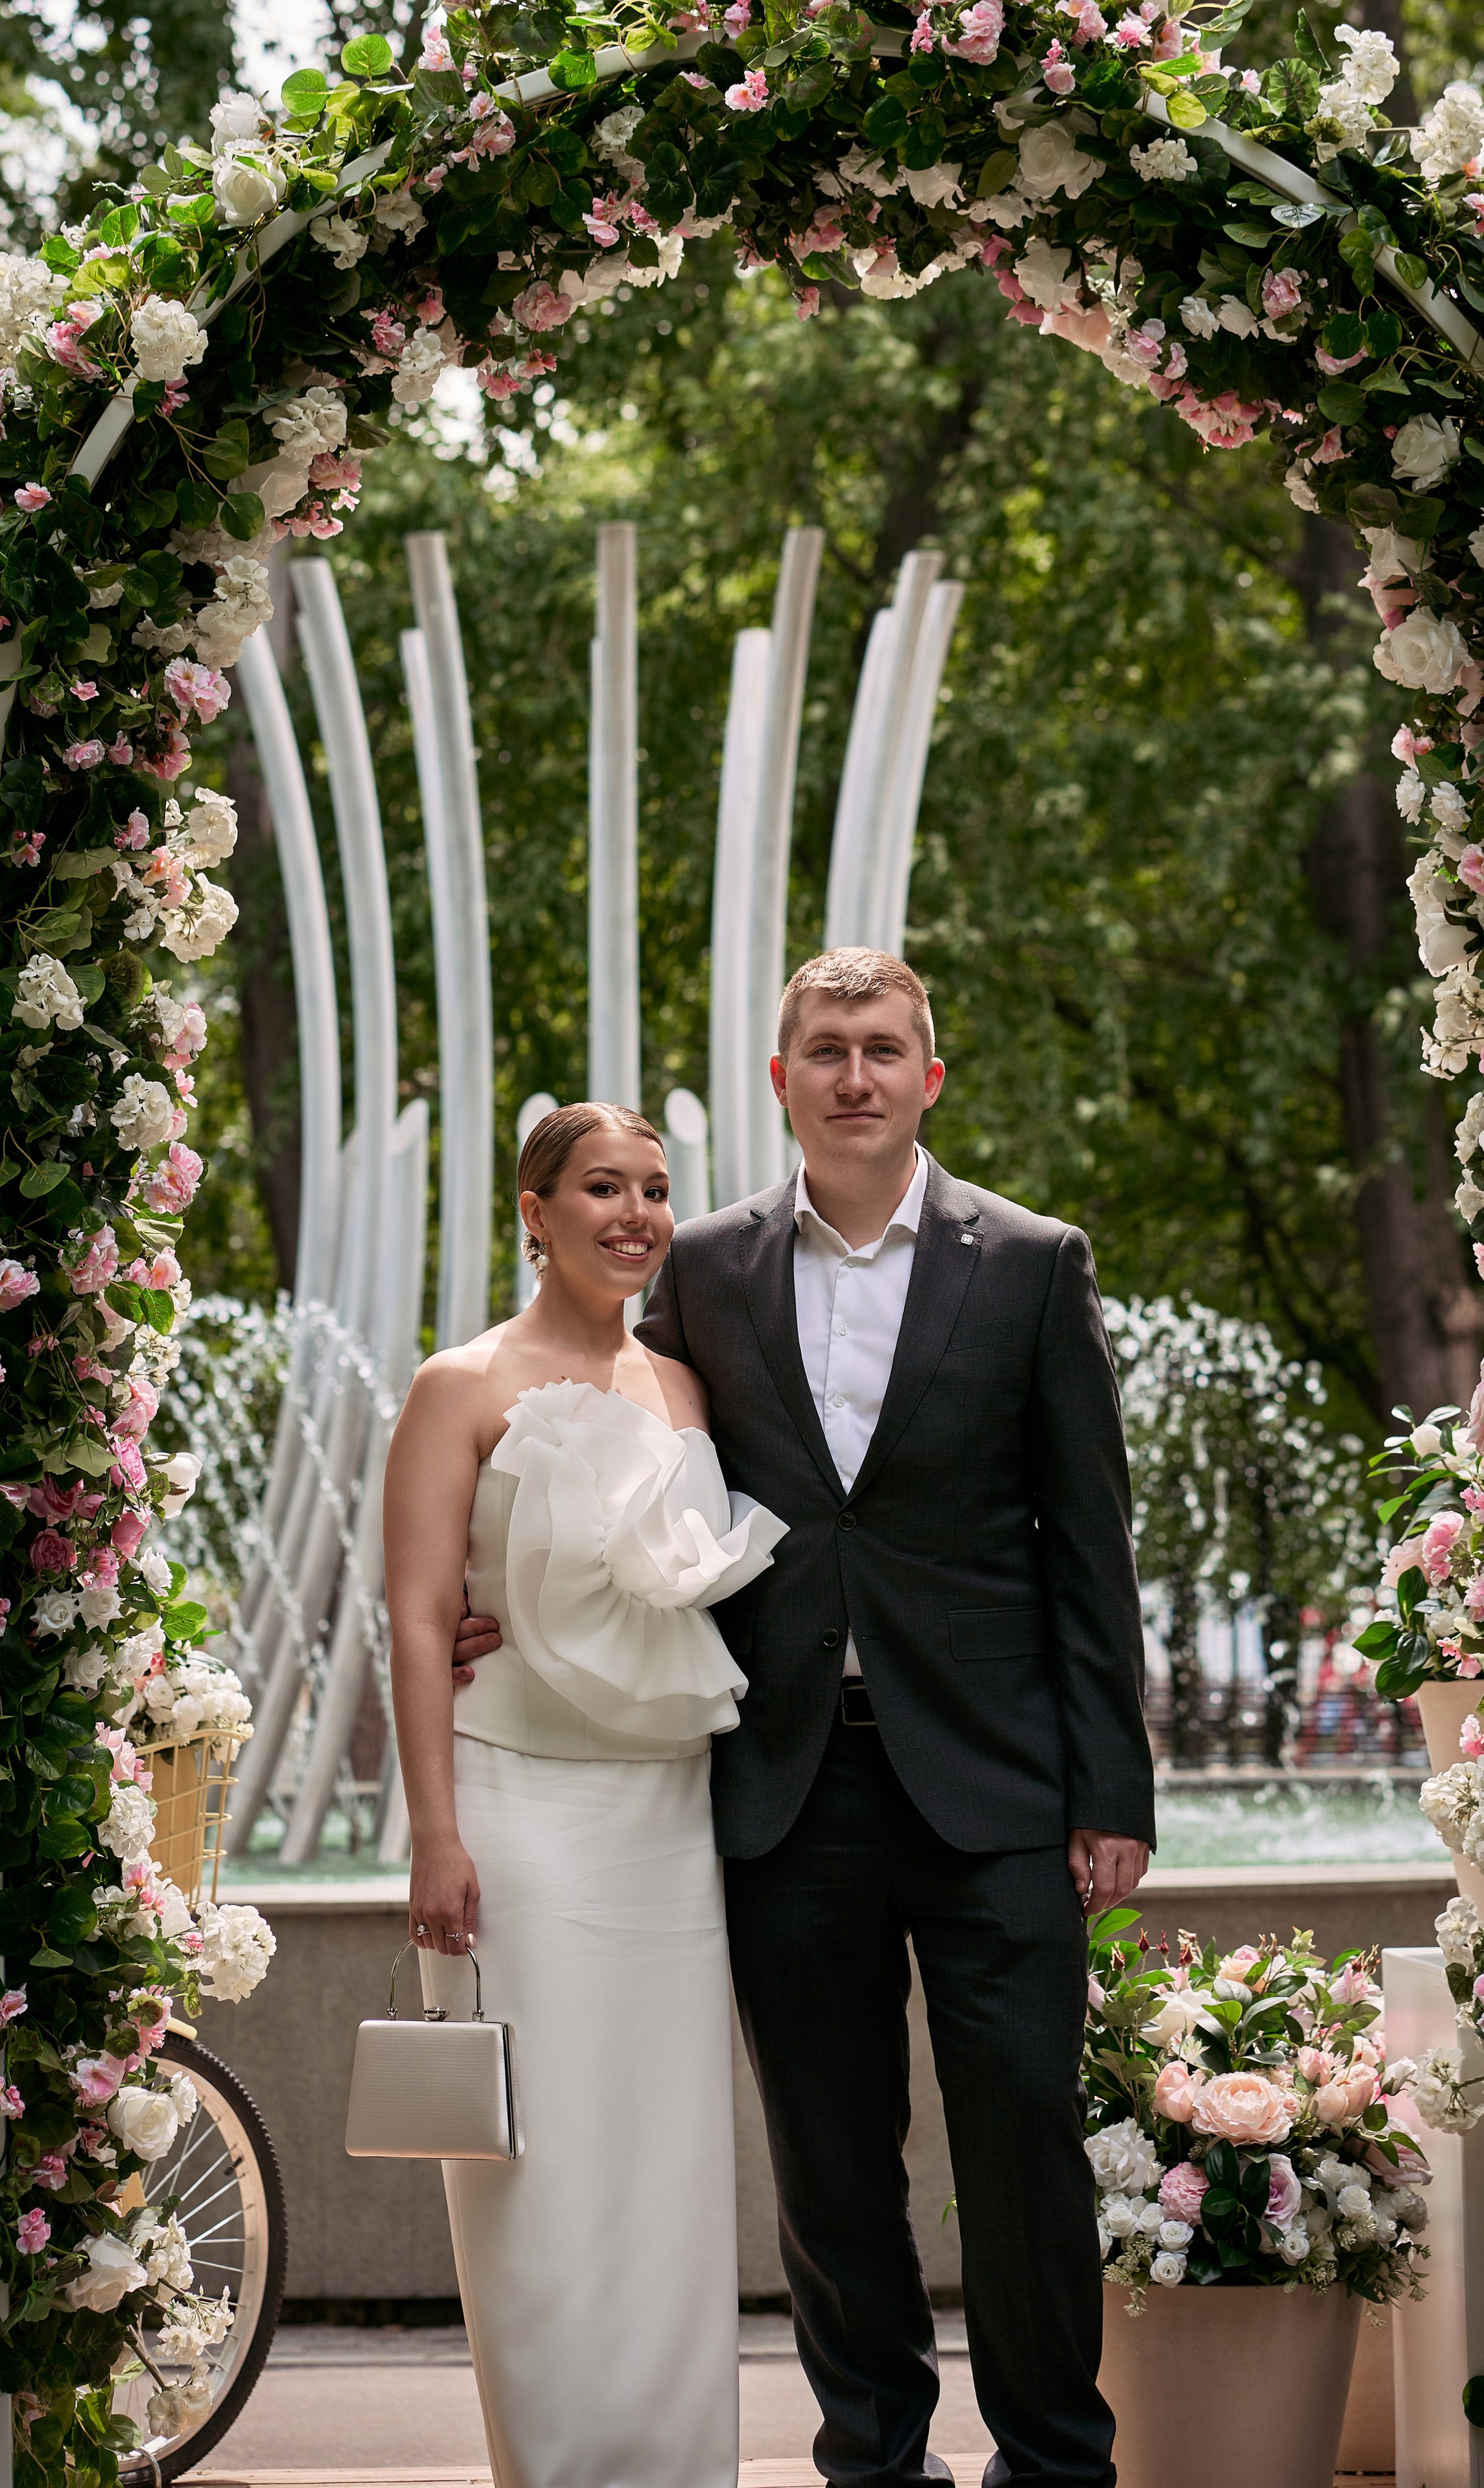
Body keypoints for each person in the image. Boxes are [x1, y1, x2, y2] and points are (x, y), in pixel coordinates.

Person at [455, 951, 1156, 2488]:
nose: (855, 1075)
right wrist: (483, 1586)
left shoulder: (1032, 1261)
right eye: (826, 1050)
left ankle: (1053, 2462)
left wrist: (1112, 1791)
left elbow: (1088, 1546)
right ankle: (874, 2464)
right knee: (832, 2169)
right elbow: (598, 1442)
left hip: (997, 1788)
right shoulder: (702, 1266)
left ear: (928, 1078)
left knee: (1023, 2141)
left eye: (883, 1049)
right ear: (781, 1080)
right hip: (784, 1783)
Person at [387, 1100, 785, 2488]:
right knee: (538, 2171)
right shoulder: (459, 1385)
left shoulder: (686, 1387)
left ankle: (679, 2466)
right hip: (518, 1816)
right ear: (535, 1211)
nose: (636, 1215)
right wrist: (435, 1836)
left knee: (668, 2165)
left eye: (655, 1190)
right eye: (603, 1187)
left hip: (671, 1819)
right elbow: (415, 1620)